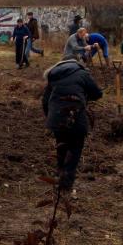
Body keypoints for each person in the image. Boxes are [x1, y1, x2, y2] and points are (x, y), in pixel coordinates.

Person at [42, 58, 103, 191]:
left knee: (61, 146)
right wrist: (84, 96)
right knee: (75, 149)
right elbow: (97, 93)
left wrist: (50, 118)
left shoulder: (53, 75)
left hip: (56, 119)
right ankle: (65, 184)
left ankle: (59, 175)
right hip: (76, 116)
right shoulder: (82, 73)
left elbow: (45, 101)